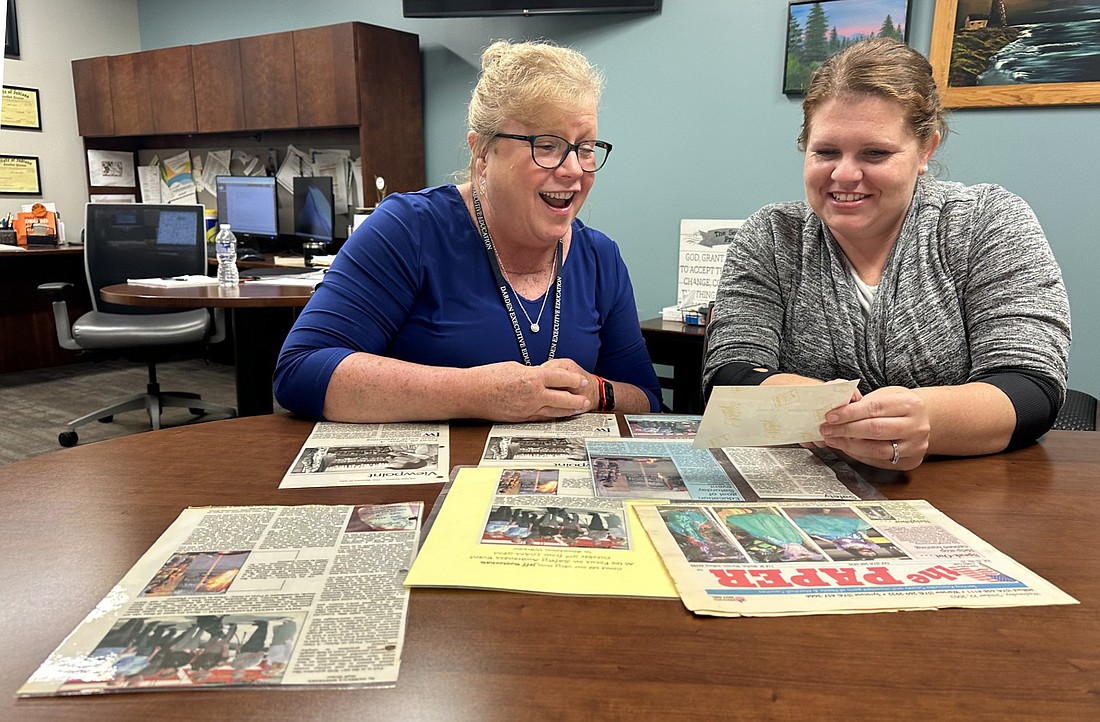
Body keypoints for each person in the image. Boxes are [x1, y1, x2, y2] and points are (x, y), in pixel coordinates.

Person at [703, 37, 1070, 471]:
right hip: (809, 488)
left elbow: (1030, 386)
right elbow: (731, 372)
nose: (845, 173)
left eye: (875, 153)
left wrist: (923, 418)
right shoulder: (772, 236)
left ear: (925, 151)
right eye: (826, 151)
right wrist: (826, 411)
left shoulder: (987, 222)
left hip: (964, 490)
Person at [274, 40, 661, 422]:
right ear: (482, 153)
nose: (574, 168)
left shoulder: (600, 258)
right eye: (547, 145)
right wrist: (479, 393)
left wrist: (596, 392)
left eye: (586, 147)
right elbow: (301, 370)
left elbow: (645, 397)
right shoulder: (409, 230)